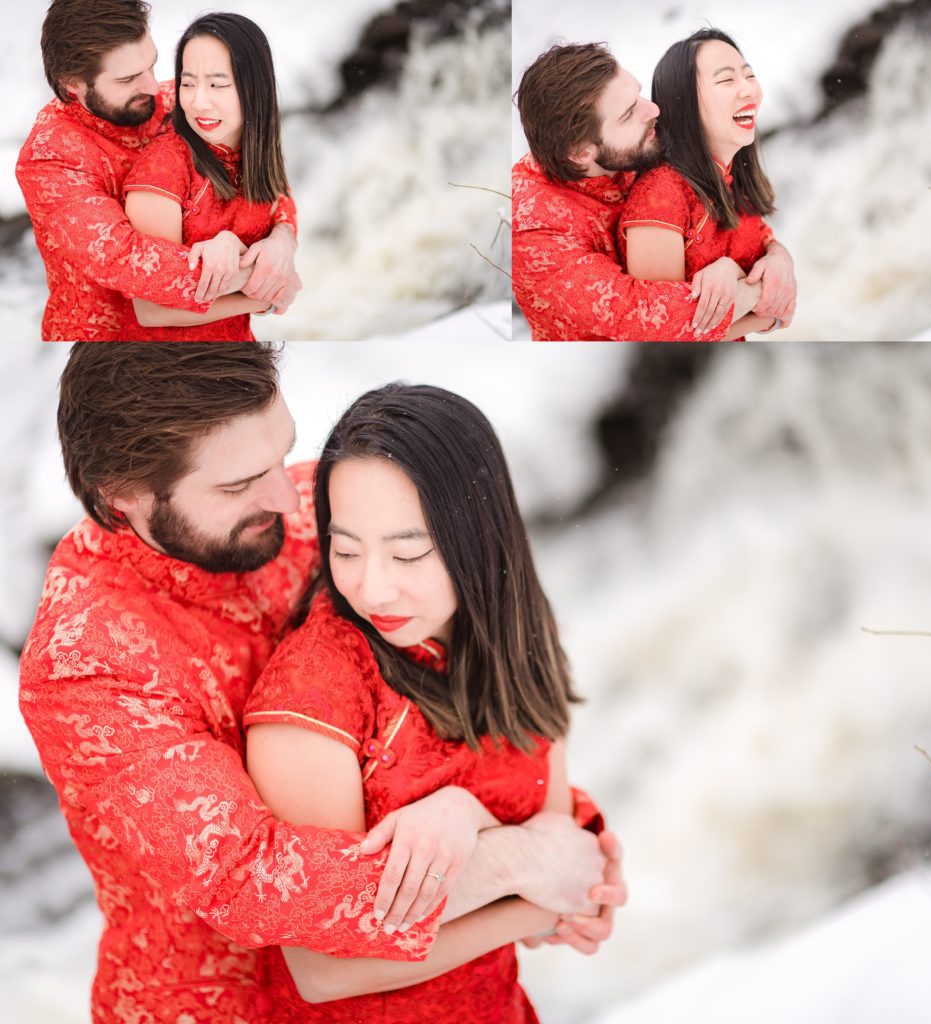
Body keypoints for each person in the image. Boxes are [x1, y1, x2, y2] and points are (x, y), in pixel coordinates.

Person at [18, 344, 623, 1024]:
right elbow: (254, 879)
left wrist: (544, 826)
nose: (287, 495)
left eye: (283, 453)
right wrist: (519, 863)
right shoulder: (88, 665)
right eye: (238, 484)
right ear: (121, 498)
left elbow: (451, 684)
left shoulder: (325, 516)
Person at [241, 383, 618, 1020]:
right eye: (347, 549)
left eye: (408, 552)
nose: (372, 586)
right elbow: (324, 967)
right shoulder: (314, 690)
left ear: (477, 536)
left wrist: (467, 817)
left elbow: (562, 890)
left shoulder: (516, 634)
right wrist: (529, 884)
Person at [16, 0, 299, 340]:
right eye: (129, 78)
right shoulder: (50, 157)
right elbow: (127, 259)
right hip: (109, 351)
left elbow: (259, 171)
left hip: (213, 337)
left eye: (152, 65)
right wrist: (262, 282)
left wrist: (282, 241)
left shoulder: (175, 100)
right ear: (72, 84)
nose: (155, 86)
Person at [512, 42, 795, 341]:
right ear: (580, 152)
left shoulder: (634, 153)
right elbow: (653, 322)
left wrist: (778, 258)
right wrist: (764, 294)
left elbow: (736, 231)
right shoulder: (536, 233)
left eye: (638, 95)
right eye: (628, 113)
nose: (654, 110)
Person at [121, 13, 297, 340]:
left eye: (217, 84)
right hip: (168, 359)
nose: (198, 102)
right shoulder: (163, 167)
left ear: (254, 88)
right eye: (187, 83)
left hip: (237, 352)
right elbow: (150, 309)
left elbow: (281, 202)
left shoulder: (257, 148)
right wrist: (260, 294)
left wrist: (282, 241)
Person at [619, 29, 796, 340]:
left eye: (749, 75)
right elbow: (663, 338)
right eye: (727, 80)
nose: (749, 90)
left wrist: (780, 257)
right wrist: (768, 313)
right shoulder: (660, 196)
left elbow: (761, 239)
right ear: (684, 102)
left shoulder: (731, 173)